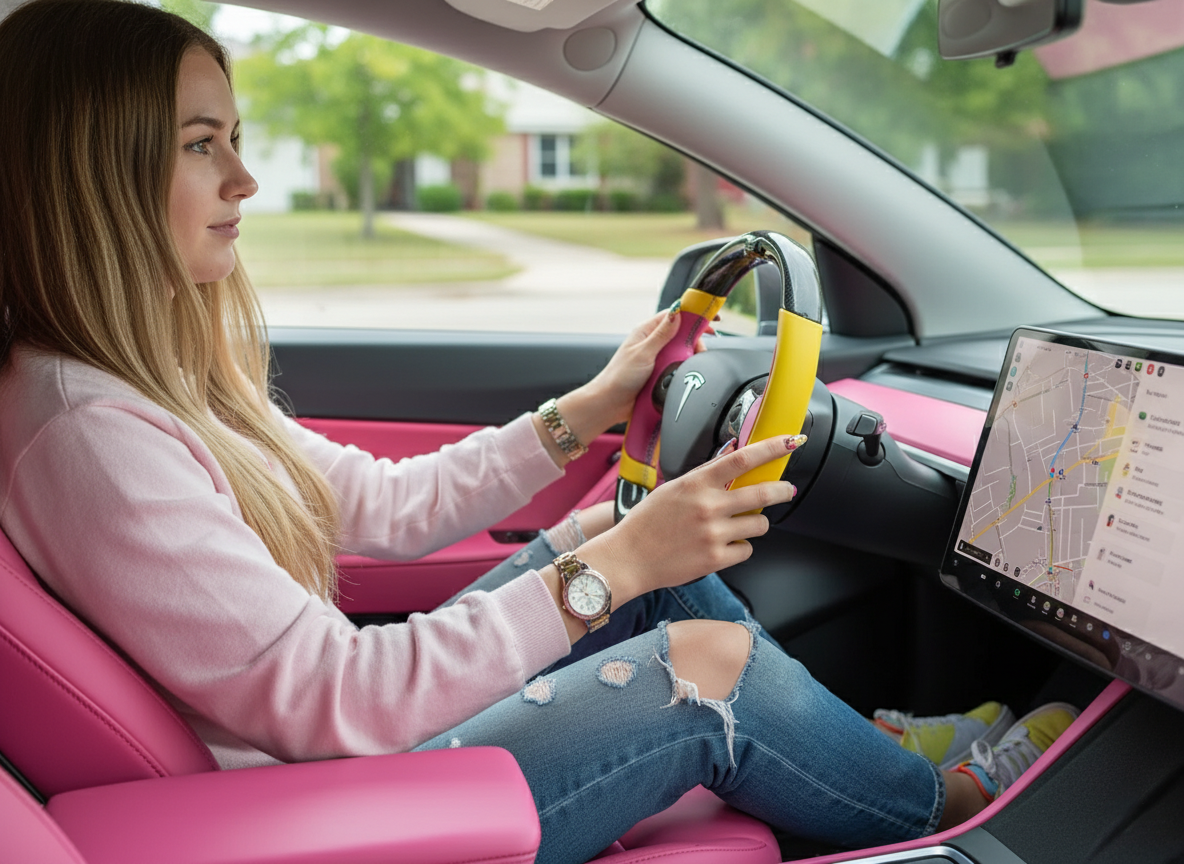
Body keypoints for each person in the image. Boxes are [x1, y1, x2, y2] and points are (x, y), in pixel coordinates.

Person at [0, 2, 1078, 862]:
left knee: (629, 573)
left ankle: (869, 751)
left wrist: (593, 409)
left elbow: (381, 503)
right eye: (201, 146)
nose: (242, 180)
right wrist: (615, 560)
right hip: (316, 804)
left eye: (234, 139)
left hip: (319, 755)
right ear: (95, 170)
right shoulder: (91, 437)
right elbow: (336, 700)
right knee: (703, 663)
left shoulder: (138, 385)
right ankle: (942, 800)